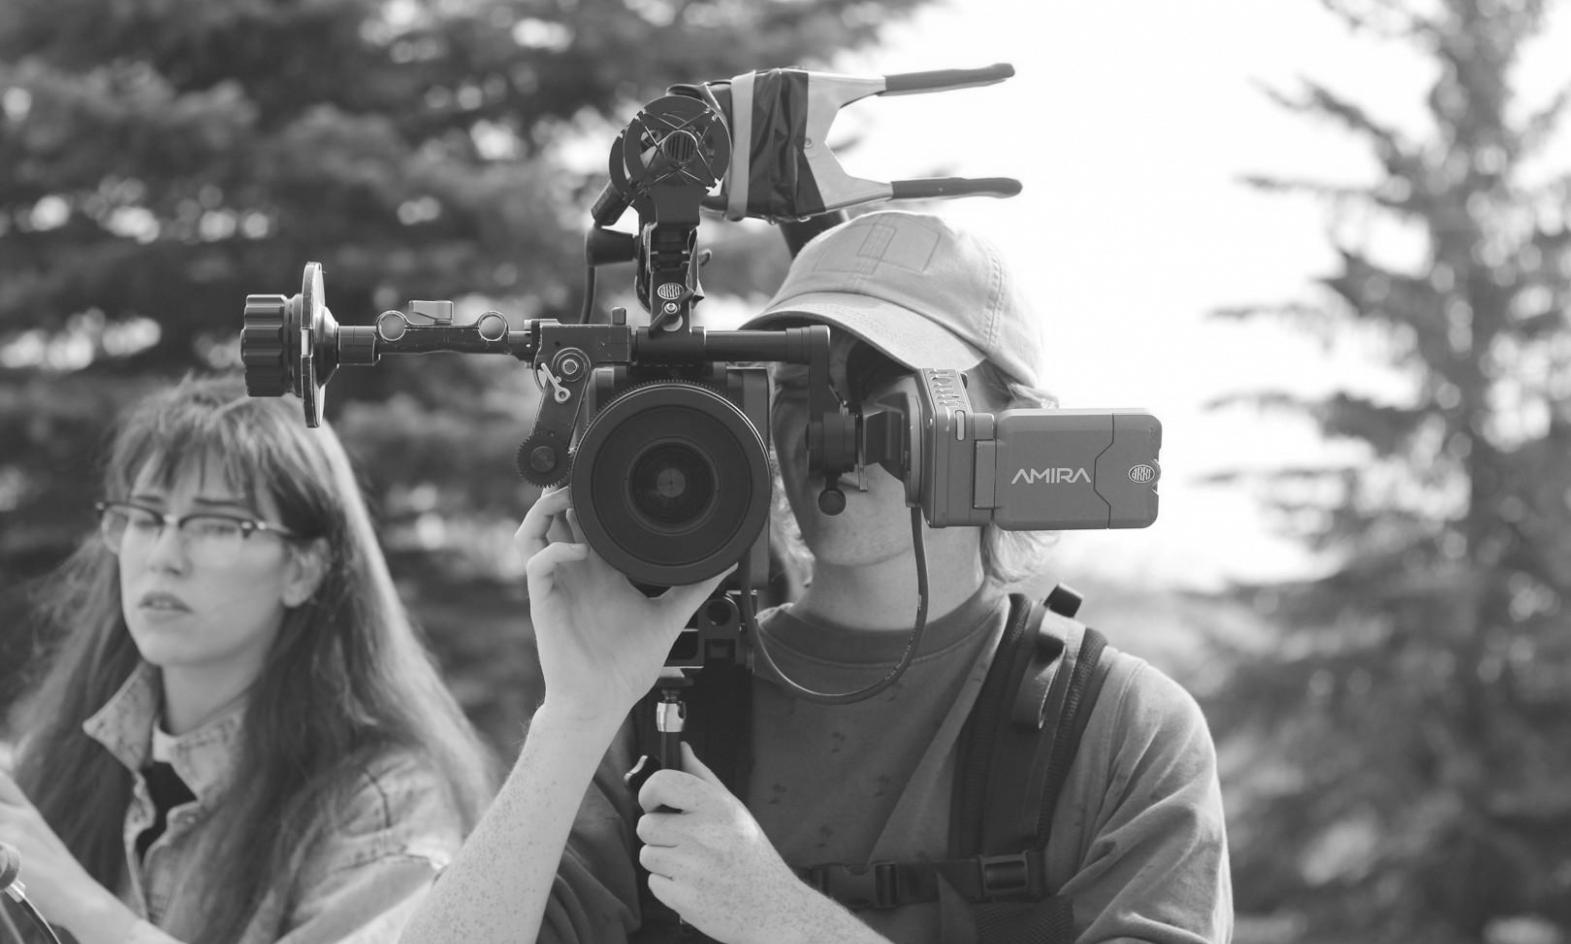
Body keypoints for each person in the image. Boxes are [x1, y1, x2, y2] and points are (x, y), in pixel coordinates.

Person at [400, 210, 1233, 943]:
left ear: (1004, 426)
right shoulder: (666, 706)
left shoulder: (1115, 728)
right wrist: (576, 714)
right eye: (801, 381)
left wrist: (786, 923)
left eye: (878, 382)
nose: (831, 423)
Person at [0, 374, 498, 944]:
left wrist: (84, 907)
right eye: (144, 517)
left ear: (302, 569)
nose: (164, 556)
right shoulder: (61, 749)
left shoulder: (380, 803)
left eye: (215, 524)